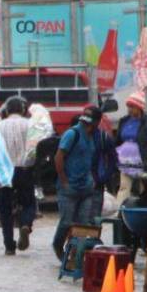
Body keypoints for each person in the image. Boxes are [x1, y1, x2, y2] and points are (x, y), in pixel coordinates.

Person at [53, 106, 101, 260]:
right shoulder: (72, 134)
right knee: (66, 222)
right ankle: (58, 245)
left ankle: (75, 256)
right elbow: (58, 157)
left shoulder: (93, 136)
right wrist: (64, 181)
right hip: (69, 187)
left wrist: (92, 180)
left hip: (86, 188)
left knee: (82, 225)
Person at [0, 97, 37, 254]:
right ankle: (25, 224)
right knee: (28, 202)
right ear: (23, 110)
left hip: (5, 171)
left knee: (4, 208)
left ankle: (9, 246)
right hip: (24, 170)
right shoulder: (30, 124)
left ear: (6, 111)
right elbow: (35, 147)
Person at [116, 92, 147, 203]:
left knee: (143, 187)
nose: (129, 109)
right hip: (125, 161)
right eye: (128, 106)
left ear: (139, 107)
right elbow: (118, 140)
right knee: (124, 186)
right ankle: (120, 209)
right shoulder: (124, 121)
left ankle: (143, 206)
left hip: (143, 161)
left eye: (132, 107)